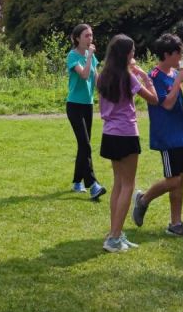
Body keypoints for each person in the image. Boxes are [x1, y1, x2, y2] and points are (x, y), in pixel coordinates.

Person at [96, 34, 159, 253]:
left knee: (117, 184)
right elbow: (153, 98)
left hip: (109, 134)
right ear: (126, 54)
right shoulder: (129, 78)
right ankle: (114, 238)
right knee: (128, 185)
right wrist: (144, 76)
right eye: (132, 51)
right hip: (126, 133)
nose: (134, 54)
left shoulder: (102, 76)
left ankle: (116, 233)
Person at [131, 33, 183, 238]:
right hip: (167, 136)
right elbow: (166, 104)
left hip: (180, 133)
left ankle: (176, 224)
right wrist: (178, 81)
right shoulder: (155, 77)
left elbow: (177, 105)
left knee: (181, 179)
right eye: (179, 54)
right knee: (173, 180)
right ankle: (143, 199)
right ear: (168, 54)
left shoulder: (171, 75)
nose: (181, 58)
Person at [65, 24, 106, 201]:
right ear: (77, 38)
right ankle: (93, 184)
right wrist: (89, 56)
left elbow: (95, 78)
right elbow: (83, 75)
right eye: (86, 36)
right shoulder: (72, 56)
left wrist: (105, 95)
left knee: (84, 144)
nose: (90, 39)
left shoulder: (92, 56)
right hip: (74, 105)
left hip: (87, 105)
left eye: (91, 35)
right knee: (86, 144)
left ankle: (76, 181)